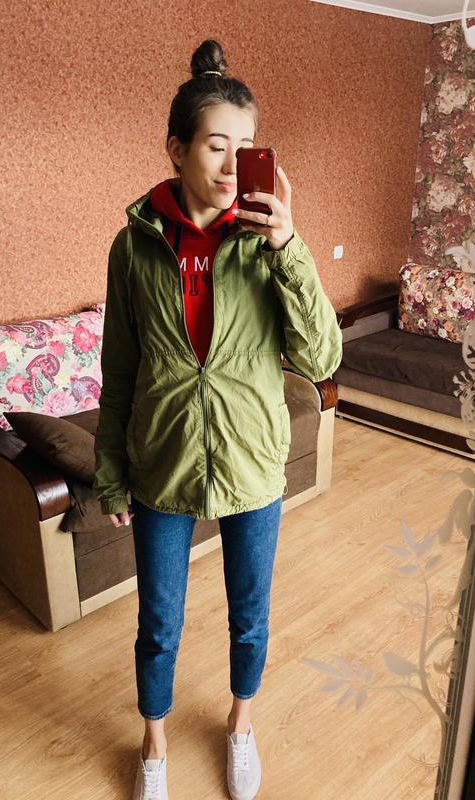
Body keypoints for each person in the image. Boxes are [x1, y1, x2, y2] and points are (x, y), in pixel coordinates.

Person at [92, 38, 343, 800]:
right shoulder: (134, 249)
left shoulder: (267, 244)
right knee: (158, 621)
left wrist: (289, 247)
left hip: (251, 461)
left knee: (250, 614)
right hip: (161, 463)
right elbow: (120, 369)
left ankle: (240, 724)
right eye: (215, 145)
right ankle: (154, 743)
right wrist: (110, 472)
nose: (234, 164)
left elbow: (322, 356)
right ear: (175, 149)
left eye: (247, 146)